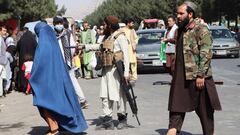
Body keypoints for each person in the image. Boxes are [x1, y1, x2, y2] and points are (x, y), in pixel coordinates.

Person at [166, 1, 222, 135]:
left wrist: (201, 75)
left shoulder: (201, 28)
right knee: (176, 109)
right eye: (177, 13)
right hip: (181, 78)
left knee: (205, 112)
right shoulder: (180, 29)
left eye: (181, 13)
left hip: (198, 77)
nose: (178, 16)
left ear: (190, 14)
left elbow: (206, 53)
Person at [30, 22, 88, 134]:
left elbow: (39, 65)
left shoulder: (43, 45)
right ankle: (59, 125)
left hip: (45, 81)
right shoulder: (53, 42)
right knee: (59, 101)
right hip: (58, 80)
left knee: (42, 101)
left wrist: (33, 78)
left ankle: (54, 127)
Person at [81, 15, 130, 130]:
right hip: (106, 70)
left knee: (119, 95)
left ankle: (122, 118)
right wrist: (85, 46)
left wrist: (126, 72)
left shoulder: (120, 36)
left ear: (110, 25)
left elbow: (126, 55)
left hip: (116, 70)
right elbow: (100, 46)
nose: (103, 26)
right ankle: (108, 121)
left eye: (105, 24)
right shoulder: (108, 37)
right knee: (105, 95)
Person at [53, 16, 88, 109]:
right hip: (58, 62)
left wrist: (68, 58)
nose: (59, 25)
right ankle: (78, 100)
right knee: (65, 82)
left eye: (60, 23)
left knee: (71, 81)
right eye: (57, 23)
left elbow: (72, 47)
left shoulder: (67, 33)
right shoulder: (52, 35)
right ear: (54, 24)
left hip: (67, 62)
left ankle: (81, 100)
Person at [16, 27, 37, 92]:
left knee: (23, 72)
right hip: (32, 59)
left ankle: (23, 86)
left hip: (23, 59)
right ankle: (31, 87)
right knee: (31, 72)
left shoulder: (21, 39)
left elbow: (17, 48)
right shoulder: (32, 39)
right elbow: (36, 47)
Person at [121, 18, 139, 83]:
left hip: (132, 49)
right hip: (125, 49)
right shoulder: (122, 30)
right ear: (128, 23)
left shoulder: (132, 30)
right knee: (126, 62)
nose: (133, 24)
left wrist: (134, 43)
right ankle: (128, 75)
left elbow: (136, 38)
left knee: (133, 63)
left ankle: (134, 76)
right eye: (132, 23)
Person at [0, 25, 8, 97]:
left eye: (5, 31)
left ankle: (1, 93)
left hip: (2, 62)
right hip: (0, 62)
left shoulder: (2, 39)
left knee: (3, 78)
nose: (5, 32)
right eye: (4, 31)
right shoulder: (0, 39)